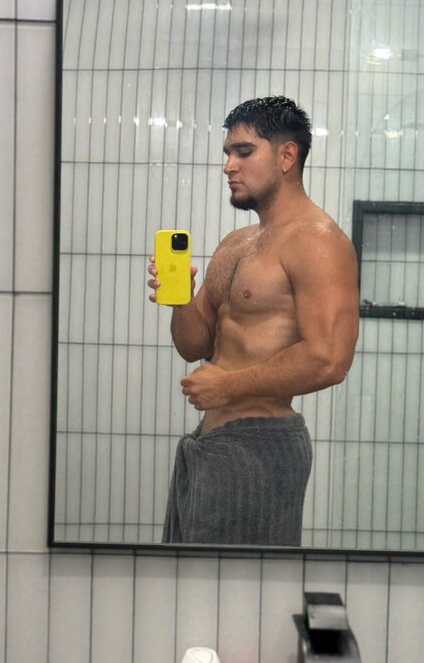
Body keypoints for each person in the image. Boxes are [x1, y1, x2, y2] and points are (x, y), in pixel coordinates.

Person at [148, 96, 360, 545]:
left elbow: (329, 359)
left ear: (287, 156)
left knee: (235, 588)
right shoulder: (236, 243)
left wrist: (228, 386)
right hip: (206, 445)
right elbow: (194, 345)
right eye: (228, 153)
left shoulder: (318, 241)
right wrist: (180, 298)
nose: (229, 166)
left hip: (261, 445)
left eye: (243, 152)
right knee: (185, 581)